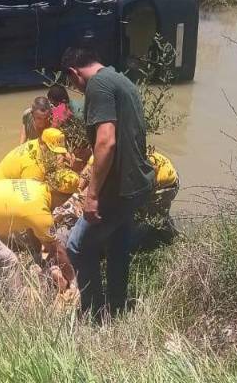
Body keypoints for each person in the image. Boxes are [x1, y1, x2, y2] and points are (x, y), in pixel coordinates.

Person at [60, 46, 154, 320]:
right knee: (117, 245)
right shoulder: (119, 79)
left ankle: (93, 312)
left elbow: (106, 141)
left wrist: (92, 195)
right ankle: (117, 306)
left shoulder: (98, 86)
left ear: (73, 73)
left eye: (71, 82)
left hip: (118, 187)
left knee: (77, 246)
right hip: (136, 183)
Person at [0, 127, 72, 183]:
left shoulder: (34, 143)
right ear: (43, 144)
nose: (56, 155)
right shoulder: (34, 165)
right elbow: (31, 194)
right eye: (53, 151)